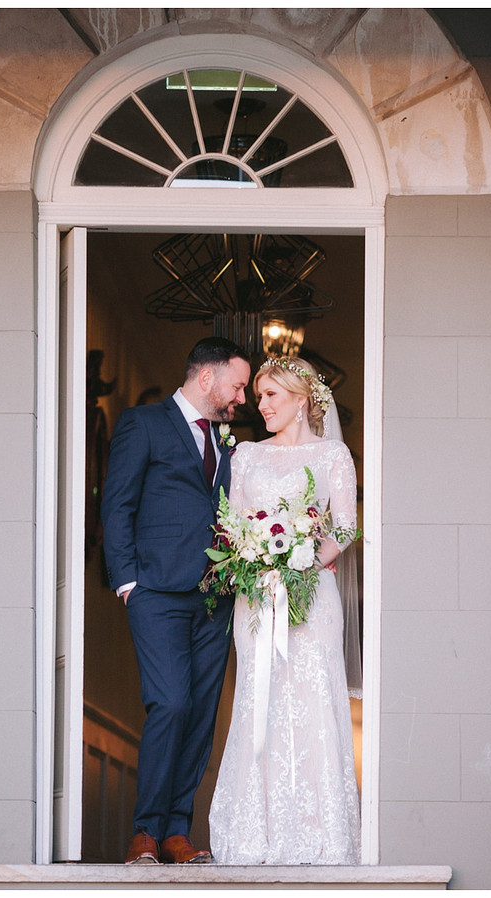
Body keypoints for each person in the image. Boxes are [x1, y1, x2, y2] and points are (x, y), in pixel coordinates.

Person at [101, 336, 251, 864]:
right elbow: (116, 504)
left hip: (216, 597)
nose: (241, 397)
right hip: (157, 592)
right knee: (170, 702)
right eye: (237, 385)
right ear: (206, 377)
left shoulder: (229, 443)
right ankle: (145, 830)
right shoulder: (143, 424)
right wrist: (127, 582)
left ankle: (175, 832)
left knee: (201, 712)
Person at [209, 355, 362, 864]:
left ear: (301, 400)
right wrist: (256, 559)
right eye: (259, 396)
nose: (261, 404)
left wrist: (303, 561)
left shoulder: (333, 455)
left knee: (313, 700)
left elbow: (344, 526)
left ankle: (320, 836)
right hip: (257, 600)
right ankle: (258, 834)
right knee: (261, 702)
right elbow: (231, 525)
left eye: (271, 395)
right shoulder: (247, 456)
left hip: (311, 596)